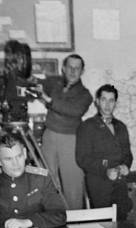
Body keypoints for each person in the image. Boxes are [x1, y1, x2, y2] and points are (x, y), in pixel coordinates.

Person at [0, 132, 66, 228]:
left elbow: (59, 215)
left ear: (25, 153)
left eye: (19, 156)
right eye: (8, 159)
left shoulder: (41, 178)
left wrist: (28, 222)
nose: (16, 164)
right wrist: (7, 223)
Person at [38, 54, 92, 209]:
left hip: (71, 139)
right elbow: (36, 82)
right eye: (70, 67)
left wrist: (49, 101)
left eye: (77, 68)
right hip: (49, 136)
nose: (73, 71)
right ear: (63, 68)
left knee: (73, 185)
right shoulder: (53, 83)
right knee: (48, 183)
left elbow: (74, 111)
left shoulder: (85, 95)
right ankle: (54, 221)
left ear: (82, 71)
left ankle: (76, 224)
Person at [76, 84, 133, 220]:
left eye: (111, 100)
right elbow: (82, 158)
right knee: (104, 226)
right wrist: (105, 170)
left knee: (122, 223)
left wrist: (126, 165)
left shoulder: (121, 127)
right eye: (103, 100)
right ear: (97, 102)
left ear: (116, 103)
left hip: (120, 184)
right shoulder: (87, 126)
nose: (107, 104)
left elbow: (128, 155)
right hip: (99, 183)